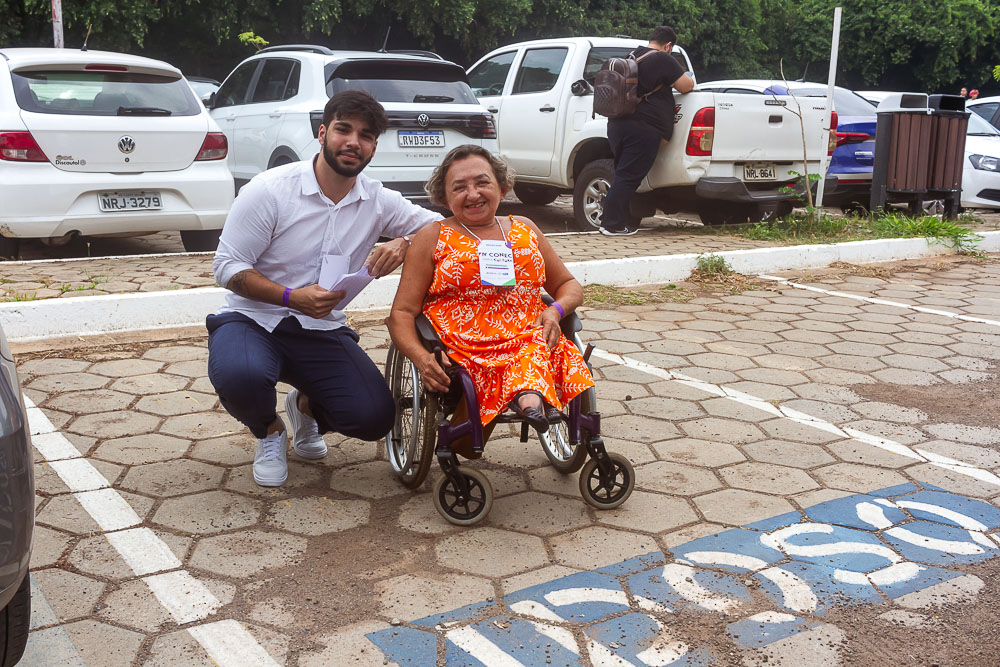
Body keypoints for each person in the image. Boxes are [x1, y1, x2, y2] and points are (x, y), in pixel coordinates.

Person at [208, 90, 438, 487]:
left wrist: (405, 241)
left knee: (373, 417)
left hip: (321, 329)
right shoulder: (270, 190)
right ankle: (269, 431)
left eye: (365, 135)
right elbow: (226, 267)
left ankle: (305, 408)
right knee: (239, 375)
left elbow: (439, 228)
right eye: (343, 129)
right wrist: (290, 296)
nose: (353, 142)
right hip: (254, 319)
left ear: (373, 147)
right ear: (322, 133)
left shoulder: (377, 199)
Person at [386, 145, 593, 445]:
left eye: (482, 183)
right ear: (444, 197)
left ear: (503, 187)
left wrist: (554, 311)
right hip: (465, 346)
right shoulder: (432, 236)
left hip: (527, 335)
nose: (472, 194)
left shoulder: (525, 228)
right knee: (465, 444)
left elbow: (570, 286)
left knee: (536, 346)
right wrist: (421, 358)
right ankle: (525, 397)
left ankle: (529, 399)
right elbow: (401, 314)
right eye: (459, 188)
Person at [601, 25, 695, 236]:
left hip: (617, 125)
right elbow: (686, 86)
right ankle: (611, 224)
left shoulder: (632, 55)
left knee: (622, 175)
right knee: (627, 177)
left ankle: (618, 222)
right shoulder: (663, 59)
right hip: (642, 128)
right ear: (669, 45)